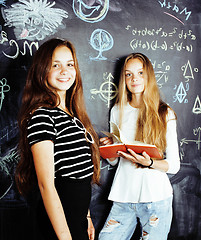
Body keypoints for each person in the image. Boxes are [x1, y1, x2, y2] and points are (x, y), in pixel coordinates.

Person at [15, 38, 100, 240]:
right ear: (42, 70)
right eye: (56, 65)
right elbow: (47, 185)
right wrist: (65, 237)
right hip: (59, 225)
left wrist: (86, 217)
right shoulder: (43, 116)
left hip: (76, 220)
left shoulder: (73, 116)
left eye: (70, 64)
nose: (65, 71)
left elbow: (80, 175)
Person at [98, 53, 180, 240]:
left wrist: (149, 162)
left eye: (140, 73)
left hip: (156, 199)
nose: (134, 78)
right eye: (128, 74)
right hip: (123, 196)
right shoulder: (117, 110)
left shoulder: (165, 113)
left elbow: (174, 166)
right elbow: (113, 162)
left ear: (148, 75)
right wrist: (109, 149)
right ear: (124, 79)